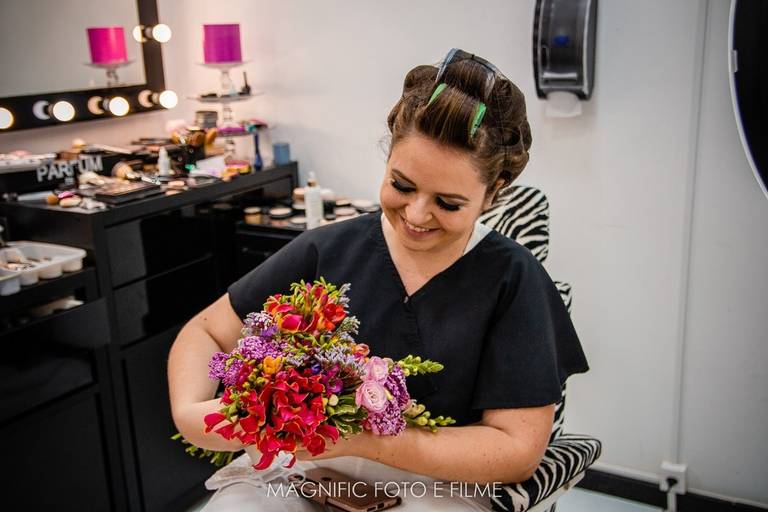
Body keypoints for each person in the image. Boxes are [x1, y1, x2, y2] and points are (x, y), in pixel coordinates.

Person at [168, 48, 589, 507]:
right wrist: (191, 413)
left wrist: (359, 439)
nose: (417, 215)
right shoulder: (328, 248)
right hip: (305, 476)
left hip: (437, 486)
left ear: (494, 192)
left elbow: (516, 451)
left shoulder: (513, 278)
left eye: (448, 203)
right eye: (401, 185)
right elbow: (208, 330)